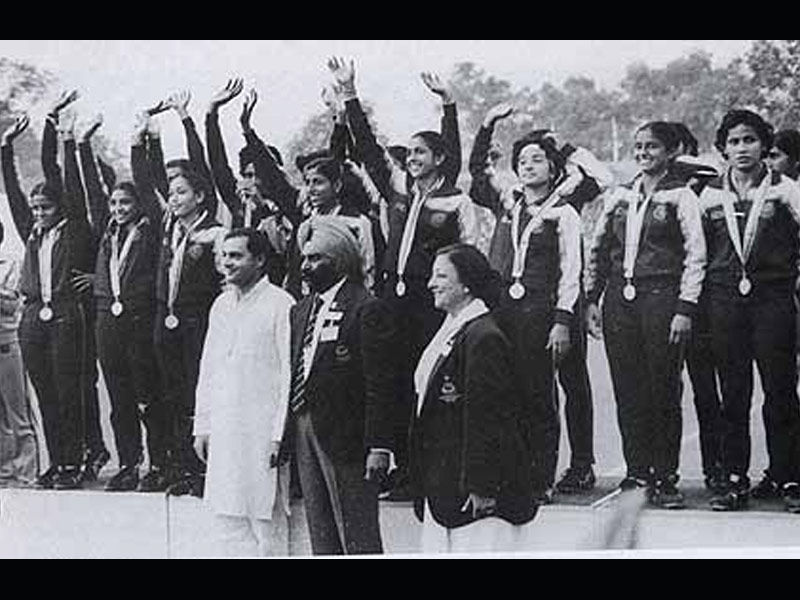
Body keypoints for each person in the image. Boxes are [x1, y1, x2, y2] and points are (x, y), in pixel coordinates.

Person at [329, 57, 477, 499]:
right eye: (409, 153)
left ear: (440, 160)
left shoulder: (455, 201)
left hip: (429, 302)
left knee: (427, 382)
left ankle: (430, 469)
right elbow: (370, 151)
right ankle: (403, 466)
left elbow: (469, 255)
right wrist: (350, 94)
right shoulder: (398, 191)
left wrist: (448, 106)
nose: (412, 159)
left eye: (420, 153)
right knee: (391, 382)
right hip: (390, 302)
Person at [469, 104, 603, 500]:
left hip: (547, 313)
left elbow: (570, 271)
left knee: (544, 394)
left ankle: (546, 475)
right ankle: (520, 470)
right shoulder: (509, 203)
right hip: (510, 311)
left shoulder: (564, 211)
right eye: (522, 161)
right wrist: (487, 125)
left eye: (537, 160)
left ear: (553, 167)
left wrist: (563, 321)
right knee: (518, 391)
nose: (528, 166)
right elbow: (478, 172)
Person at [585, 121, 706, 509]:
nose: (642, 153)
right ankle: (637, 472)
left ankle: (665, 476)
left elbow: (695, 256)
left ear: (670, 151)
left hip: (662, 297)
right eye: (638, 147)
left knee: (664, 389)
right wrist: (591, 299)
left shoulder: (681, 196)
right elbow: (599, 249)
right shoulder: (620, 195)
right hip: (621, 299)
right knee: (628, 389)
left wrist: (685, 308)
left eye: (651, 147)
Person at [697, 110, 800, 513]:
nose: (742, 149)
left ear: (764, 145)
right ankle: (735, 479)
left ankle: (788, 476)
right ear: (723, 147)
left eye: (750, 140)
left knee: (779, 390)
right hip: (724, 302)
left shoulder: (787, 190)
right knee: (734, 393)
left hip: (773, 300)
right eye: (734, 142)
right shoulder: (708, 195)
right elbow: (700, 254)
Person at [411, 244, 537, 553]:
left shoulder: (484, 337)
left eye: (441, 275)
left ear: (466, 284)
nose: (430, 283)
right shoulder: (454, 328)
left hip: (474, 500)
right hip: (444, 486)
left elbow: (488, 418)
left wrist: (482, 487)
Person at [283, 216, 395, 555]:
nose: (307, 266)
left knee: (357, 533)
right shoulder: (301, 310)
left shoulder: (366, 307)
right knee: (321, 531)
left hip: (348, 436)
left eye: (316, 258)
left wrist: (380, 444)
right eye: (304, 258)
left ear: (340, 259)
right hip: (305, 426)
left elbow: (381, 383)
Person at [1, 106, 97, 490]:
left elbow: (72, 189)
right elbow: (14, 195)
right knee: (44, 394)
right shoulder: (32, 233)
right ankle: (56, 463)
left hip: (65, 316)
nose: (38, 213)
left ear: (60, 209)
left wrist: (66, 139)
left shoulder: (72, 231)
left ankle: (73, 462)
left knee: (67, 390)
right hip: (32, 319)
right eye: (37, 208)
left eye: (46, 208)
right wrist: (5, 150)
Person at [132, 112, 227, 496]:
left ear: (201, 196)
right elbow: (146, 183)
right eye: (171, 193)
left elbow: (224, 283)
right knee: (172, 393)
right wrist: (142, 142)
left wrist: (191, 123)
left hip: (196, 321)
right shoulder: (168, 227)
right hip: (164, 318)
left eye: (182, 192)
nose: (173, 198)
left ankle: (206, 470)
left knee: (197, 392)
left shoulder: (215, 231)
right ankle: (181, 467)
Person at [193, 229, 294, 556]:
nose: (226, 263)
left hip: (263, 435)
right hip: (225, 432)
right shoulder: (220, 305)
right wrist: (203, 427)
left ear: (260, 259)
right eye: (224, 255)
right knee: (228, 522)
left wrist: (280, 434)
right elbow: (208, 369)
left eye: (236, 256)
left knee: (267, 525)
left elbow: (289, 375)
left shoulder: (282, 304)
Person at [83, 113, 167, 492]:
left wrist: (140, 144)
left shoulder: (150, 231)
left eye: (124, 202)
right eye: (114, 203)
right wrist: (81, 146)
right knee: (118, 400)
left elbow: (149, 188)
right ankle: (129, 463)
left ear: (138, 205)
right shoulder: (109, 233)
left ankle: (160, 462)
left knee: (148, 395)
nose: (118, 208)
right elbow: (88, 190)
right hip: (108, 322)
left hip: (139, 319)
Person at [53, 107, 111, 483]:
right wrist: (67, 139)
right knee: (77, 384)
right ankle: (91, 448)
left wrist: (97, 278)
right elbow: (73, 185)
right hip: (76, 312)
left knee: (91, 384)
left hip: (100, 309)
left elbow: (88, 185)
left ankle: (99, 447)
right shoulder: (75, 222)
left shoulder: (108, 217)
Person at [668, 121, 725, 493]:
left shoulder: (704, 179)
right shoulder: (654, 188)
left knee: (700, 389)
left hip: (698, 301)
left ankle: (713, 468)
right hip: (671, 302)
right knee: (686, 390)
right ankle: (710, 469)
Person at [0, 219, 39, 488]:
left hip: (6, 342)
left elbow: (12, 304)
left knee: (18, 411)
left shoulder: (11, 263)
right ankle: (4, 470)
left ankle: (27, 472)